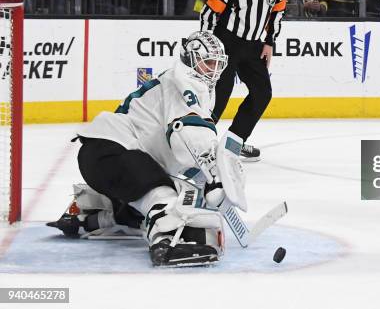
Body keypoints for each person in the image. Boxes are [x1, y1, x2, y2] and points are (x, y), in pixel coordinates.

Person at [48, 32, 239, 267]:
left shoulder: (180, 82)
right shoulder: (184, 82)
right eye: (208, 62)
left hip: (102, 156)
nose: (213, 70)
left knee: (156, 195)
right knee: (162, 195)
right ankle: (166, 242)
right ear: (190, 58)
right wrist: (214, 174)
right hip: (114, 152)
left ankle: (92, 214)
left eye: (217, 64)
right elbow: (189, 132)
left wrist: (204, 179)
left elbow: (177, 152)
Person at [200, 0, 286, 162]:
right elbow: (209, 12)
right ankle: (200, 145)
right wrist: (209, 46)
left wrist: (269, 43)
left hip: (255, 47)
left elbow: (277, 14)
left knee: (262, 93)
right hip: (226, 44)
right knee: (219, 97)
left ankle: (233, 143)